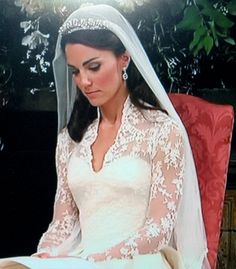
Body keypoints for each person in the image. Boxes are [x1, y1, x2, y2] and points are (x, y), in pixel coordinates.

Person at [0, 4, 210, 269]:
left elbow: (159, 228)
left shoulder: (162, 131)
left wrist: (101, 258)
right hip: (82, 259)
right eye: (76, 71)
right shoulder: (70, 140)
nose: (84, 81)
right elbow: (62, 223)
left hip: (139, 260)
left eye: (94, 67)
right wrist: (45, 255)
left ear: (124, 58)